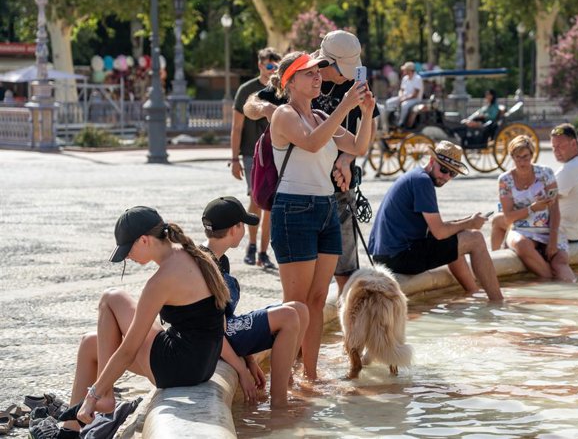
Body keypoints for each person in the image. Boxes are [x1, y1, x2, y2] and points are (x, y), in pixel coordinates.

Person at [66, 207, 228, 431]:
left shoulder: (161, 280)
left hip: (178, 367)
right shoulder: (193, 254)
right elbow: (219, 323)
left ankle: (104, 397)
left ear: (144, 240)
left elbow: (128, 350)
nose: (128, 257)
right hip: (202, 365)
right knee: (89, 344)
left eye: (127, 251)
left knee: (111, 297)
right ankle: (69, 431)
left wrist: (92, 395)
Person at [244, 30, 380, 296]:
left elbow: (366, 131)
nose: (348, 76)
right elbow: (251, 104)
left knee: (345, 269)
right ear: (326, 61)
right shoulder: (301, 74)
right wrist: (268, 110)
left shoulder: (350, 85)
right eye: (343, 69)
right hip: (298, 195)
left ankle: (345, 333)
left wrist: (347, 157)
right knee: (301, 292)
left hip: (338, 190)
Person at [268, 51, 375, 380]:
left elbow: (358, 147)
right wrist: (345, 105)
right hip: (293, 210)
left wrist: (367, 113)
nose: (317, 78)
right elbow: (313, 145)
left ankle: (310, 377)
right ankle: (284, 382)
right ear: (290, 82)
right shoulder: (283, 115)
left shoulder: (318, 114)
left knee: (316, 301)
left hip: (327, 207)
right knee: (295, 305)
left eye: (318, 72)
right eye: (308, 74)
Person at [200, 196, 308, 407]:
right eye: (243, 226)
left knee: (300, 310)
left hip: (227, 330)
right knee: (288, 316)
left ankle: (287, 383)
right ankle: (279, 404)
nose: (246, 231)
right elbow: (209, 326)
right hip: (212, 339)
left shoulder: (219, 259)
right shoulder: (203, 265)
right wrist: (241, 369)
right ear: (234, 229)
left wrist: (249, 359)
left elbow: (227, 317)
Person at [369, 140, 504, 302]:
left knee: (456, 237)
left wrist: (467, 221)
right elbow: (439, 232)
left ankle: (473, 292)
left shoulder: (416, 176)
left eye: (452, 174)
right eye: (444, 169)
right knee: (475, 239)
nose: (446, 177)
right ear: (432, 161)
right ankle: (498, 302)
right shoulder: (423, 181)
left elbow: (438, 229)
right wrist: (469, 224)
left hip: (384, 255)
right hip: (397, 258)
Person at [491, 123, 578, 249]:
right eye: (553, 147)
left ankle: (496, 262)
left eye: (560, 146)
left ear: (573, 144)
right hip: (575, 231)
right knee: (511, 222)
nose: (556, 151)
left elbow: (538, 201)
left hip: (560, 230)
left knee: (498, 220)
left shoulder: (570, 169)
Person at [229, 47, 282, 269]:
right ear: (260, 65)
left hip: (275, 151)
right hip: (252, 152)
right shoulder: (247, 90)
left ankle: (262, 251)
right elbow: (237, 127)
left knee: (269, 203)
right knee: (256, 199)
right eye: (270, 66)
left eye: (276, 67)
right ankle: (251, 245)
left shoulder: (281, 90)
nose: (272, 70)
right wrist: (234, 159)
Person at [497, 135, 576, 282]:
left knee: (559, 262)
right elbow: (508, 218)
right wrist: (532, 209)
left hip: (548, 229)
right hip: (521, 230)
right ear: (512, 157)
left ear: (532, 155)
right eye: (517, 157)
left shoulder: (546, 173)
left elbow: (554, 209)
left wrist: (553, 240)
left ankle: (575, 291)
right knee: (522, 244)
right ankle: (551, 285)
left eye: (526, 157)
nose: (522, 162)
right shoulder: (505, 180)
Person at [384, 61, 423, 128]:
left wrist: (404, 99)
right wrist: (401, 96)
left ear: (409, 70)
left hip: (415, 99)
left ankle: (400, 123)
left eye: (405, 69)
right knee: (389, 102)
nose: (403, 71)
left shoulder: (417, 78)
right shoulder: (405, 78)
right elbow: (401, 90)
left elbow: (415, 95)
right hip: (404, 97)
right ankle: (390, 122)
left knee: (404, 105)